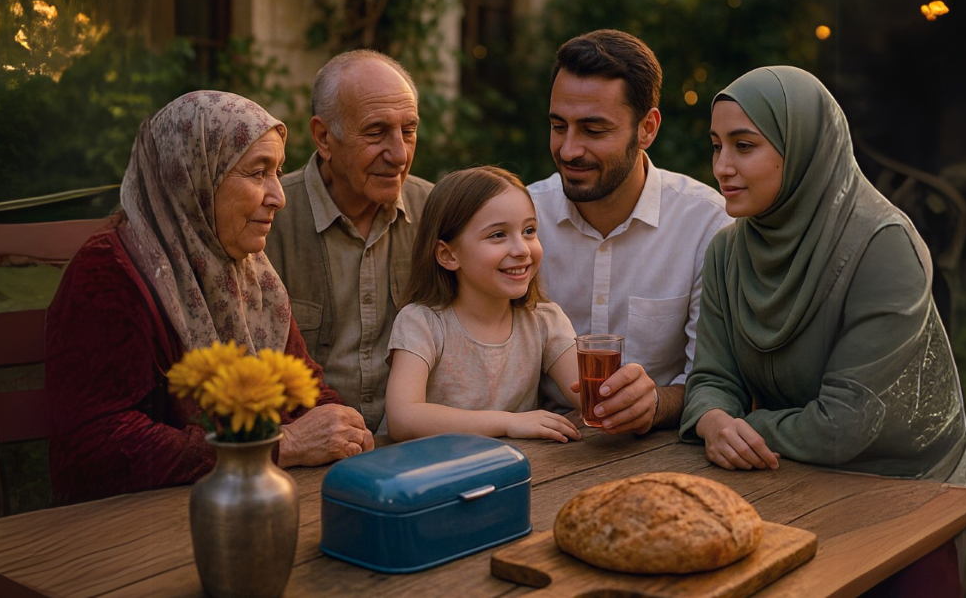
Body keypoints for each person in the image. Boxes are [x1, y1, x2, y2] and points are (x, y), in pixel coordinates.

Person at [681, 66, 966, 596]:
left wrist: (745, 426)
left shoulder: (884, 246)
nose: (722, 167)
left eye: (744, 145)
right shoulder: (728, 251)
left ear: (804, 150)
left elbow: (846, 423)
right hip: (784, 481)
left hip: (903, 493)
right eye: (716, 145)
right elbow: (710, 377)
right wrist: (713, 421)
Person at [46, 91, 374, 504]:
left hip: (238, 499)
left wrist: (334, 426)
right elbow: (97, 447)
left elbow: (305, 389)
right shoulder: (108, 273)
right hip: (133, 525)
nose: (279, 196)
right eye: (257, 173)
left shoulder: (250, 275)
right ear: (192, 179)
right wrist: (278, 446)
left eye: (277, 172)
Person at [530, 29, 732, 435]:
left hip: (661, 449)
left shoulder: (706, 224)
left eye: (593, 130)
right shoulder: (523, 218)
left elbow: (716, 379)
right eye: (558, 125)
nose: (569, 149)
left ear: (648, 128)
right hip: (539, 441)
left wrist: (657, 402)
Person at [264, 50, 433, 435]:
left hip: (414, 446)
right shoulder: (267, 221)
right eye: (376, 132)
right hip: (306, 455)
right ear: (324, 137)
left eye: (409, 130)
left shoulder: (436, 215)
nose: (400, 154)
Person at [384, 167, 583, 443]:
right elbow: (403, 419)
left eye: (529, 230)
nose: (522, 249)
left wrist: (619, 398)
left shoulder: (544, 321)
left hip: (520, 473)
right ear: (448, 254)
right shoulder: (422, 323)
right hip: (430, 475)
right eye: (498, 235)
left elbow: (589, 397)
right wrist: (509, 422)